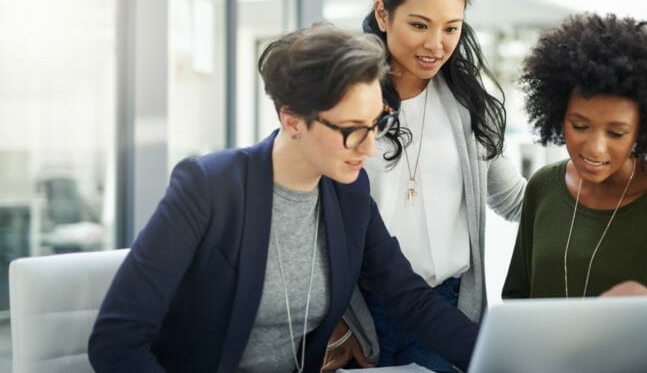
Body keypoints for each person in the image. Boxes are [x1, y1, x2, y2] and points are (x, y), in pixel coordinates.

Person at [87, 23, 479, 373]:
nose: (370, 147)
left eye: (377, 124)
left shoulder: (349, 193)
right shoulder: (208, 188)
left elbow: (408, 299)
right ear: (292, 120)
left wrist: (500, 357)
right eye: (353, 129)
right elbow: (115, 342)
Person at [323, 0, 526, 372]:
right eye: (419, 25)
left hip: (449, 310)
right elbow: (314, 218)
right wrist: (337, 322)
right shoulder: (343, 100)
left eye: (451, 28)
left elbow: (513, 199)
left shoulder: (471, 104)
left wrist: (597, 188)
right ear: (383, 14)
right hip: (363, 315)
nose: (436, 44)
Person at [502, 13, 647, 301]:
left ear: (641, 130)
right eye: (580, 126)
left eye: (616, 133)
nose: (595, 148)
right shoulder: (543, 187)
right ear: (559, 115)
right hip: (540, 348)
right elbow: (516, 298)